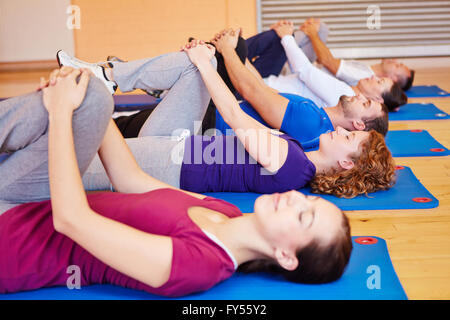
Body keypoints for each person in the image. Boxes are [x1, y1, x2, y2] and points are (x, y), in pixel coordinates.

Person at [0, 52, 352, 297]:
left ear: (286, 257)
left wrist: (62, 113)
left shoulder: (198, 266)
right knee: (90, 95)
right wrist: (93, 100)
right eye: (308, 200)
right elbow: (130, 180)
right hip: (29, 201)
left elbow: (70, 220)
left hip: (10, 235)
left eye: (304, 215)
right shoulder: (224, 212)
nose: (295, 198)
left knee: (73, 103)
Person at [57, 42, 395, 198]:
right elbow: (254, 122)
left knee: (67, 168)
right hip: (180, 145)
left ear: (346, 165)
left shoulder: (293, 165)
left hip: (173, 163)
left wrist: (209, 64)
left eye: (349, 139)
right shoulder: (296, 156)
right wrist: (202, 62)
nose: (339, 131)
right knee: (191, 65)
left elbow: (235, 116)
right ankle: (107, 76)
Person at [239, 21, 407, 112]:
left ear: (377, 100)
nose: (373, 77)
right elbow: (300, 72)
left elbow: (304, 70)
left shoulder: (345, 94)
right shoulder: (348, 91)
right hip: (264, 82)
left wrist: (287, 38)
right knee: (276, 39)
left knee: (270, 40)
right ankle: (231, 49)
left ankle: (231, 49)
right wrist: (286, 39)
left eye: (378, 82)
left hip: (256, 86)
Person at [300, 18, 415, 92]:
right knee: (321, 27)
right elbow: (324, 61)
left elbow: (326, 60)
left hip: (301, 74)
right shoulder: (367, 69)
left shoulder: (364, 76)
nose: (394, 61)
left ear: (391, 78)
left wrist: (312, 33)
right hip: (310, 66)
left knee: (302, 34)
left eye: (397, 66)